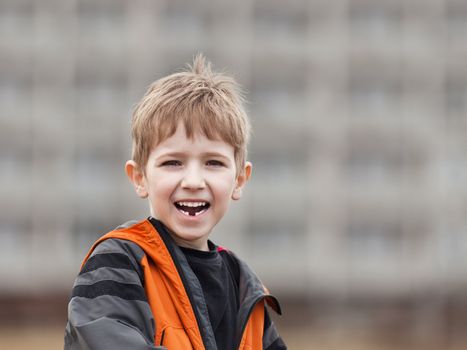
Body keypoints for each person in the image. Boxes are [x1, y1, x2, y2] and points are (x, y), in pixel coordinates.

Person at [64, 54, 287, 350]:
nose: (193, 181)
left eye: (213, 163)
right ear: (140, 177)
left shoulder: (245, 286)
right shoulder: (119, 261)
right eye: (173, 162)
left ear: (239, 180)